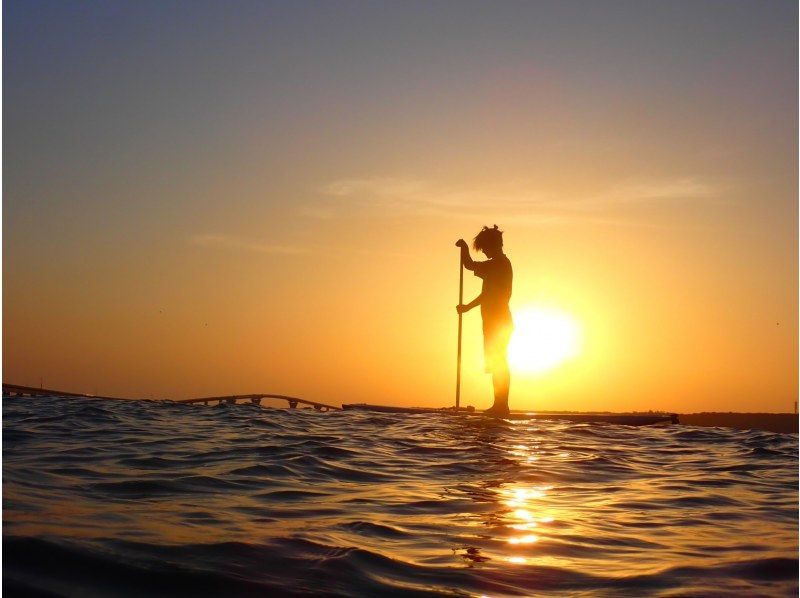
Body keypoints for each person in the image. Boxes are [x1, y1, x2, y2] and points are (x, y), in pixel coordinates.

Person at [455, 225, 513, 417]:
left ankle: (502, 406)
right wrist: (467, 307)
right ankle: (499, 404)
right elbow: (483, 288)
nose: (484, 252)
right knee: (496, 363)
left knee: (499, 362)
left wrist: (464, 248)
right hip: (494, 321)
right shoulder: (496, 264)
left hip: (499, 322)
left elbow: (485, 292)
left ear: (493, 245)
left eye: (485, 248)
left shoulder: (498, 264)